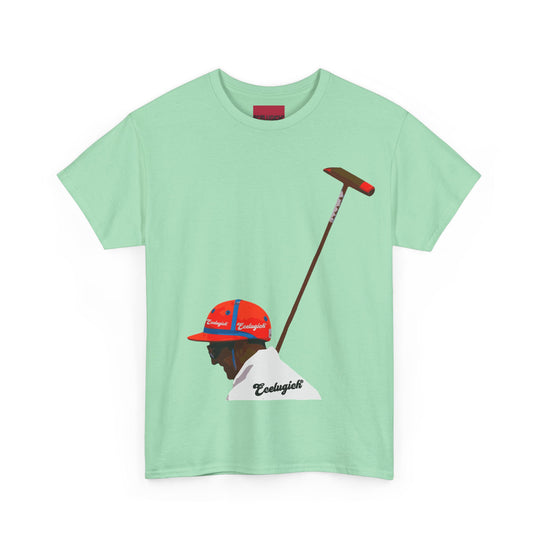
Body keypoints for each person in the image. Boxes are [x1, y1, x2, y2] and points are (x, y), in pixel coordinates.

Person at [188, 299, 321, 400]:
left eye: (214, 351)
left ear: (241, 346)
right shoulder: (305, 388)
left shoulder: (240, 394)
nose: (214, 362)